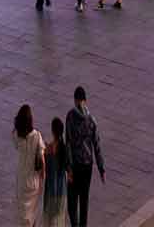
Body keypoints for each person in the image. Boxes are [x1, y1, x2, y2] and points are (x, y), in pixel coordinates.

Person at [63, 86, 104, 227]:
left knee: (71, 202)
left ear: (75, 100)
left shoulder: (70, 117)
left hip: (75, 165)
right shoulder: (91, 120)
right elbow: (96, 144)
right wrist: (101, 167)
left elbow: (67, 142)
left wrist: (68, 168)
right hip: (87, 166)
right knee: (84, 200)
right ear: (85, 100)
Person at [13, 103, 45, 225]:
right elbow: (42, 158)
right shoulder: (37, 136)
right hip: (33, 180)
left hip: (22, 179)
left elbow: (16, 144)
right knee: (33, 212)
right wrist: (44, 174)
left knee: (23, 212)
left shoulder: (16, 135)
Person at [42, 115, 69, 224]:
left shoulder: (48, 150)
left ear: (53, 131)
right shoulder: (64, 148)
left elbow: (43, 164)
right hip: (61, 189)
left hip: (51, 190)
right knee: (59, 220)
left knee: (50, 220)